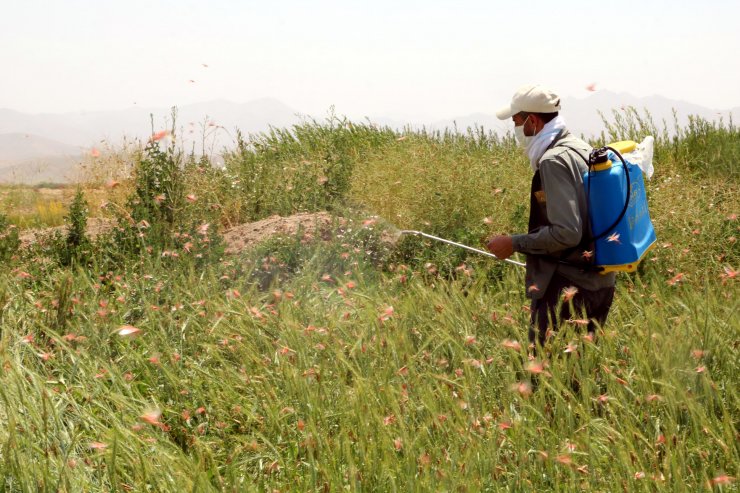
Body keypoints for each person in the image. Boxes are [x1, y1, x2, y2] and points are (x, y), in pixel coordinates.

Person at [486, 84, 616, 349]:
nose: (515, 130)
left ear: (532, 121)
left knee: (547, 380)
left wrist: (514, 243)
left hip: (570, 290)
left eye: (516, 122)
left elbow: (567, 232)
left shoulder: (553, 161)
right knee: (576, 379)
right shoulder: (580, 147)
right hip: (599, 283)